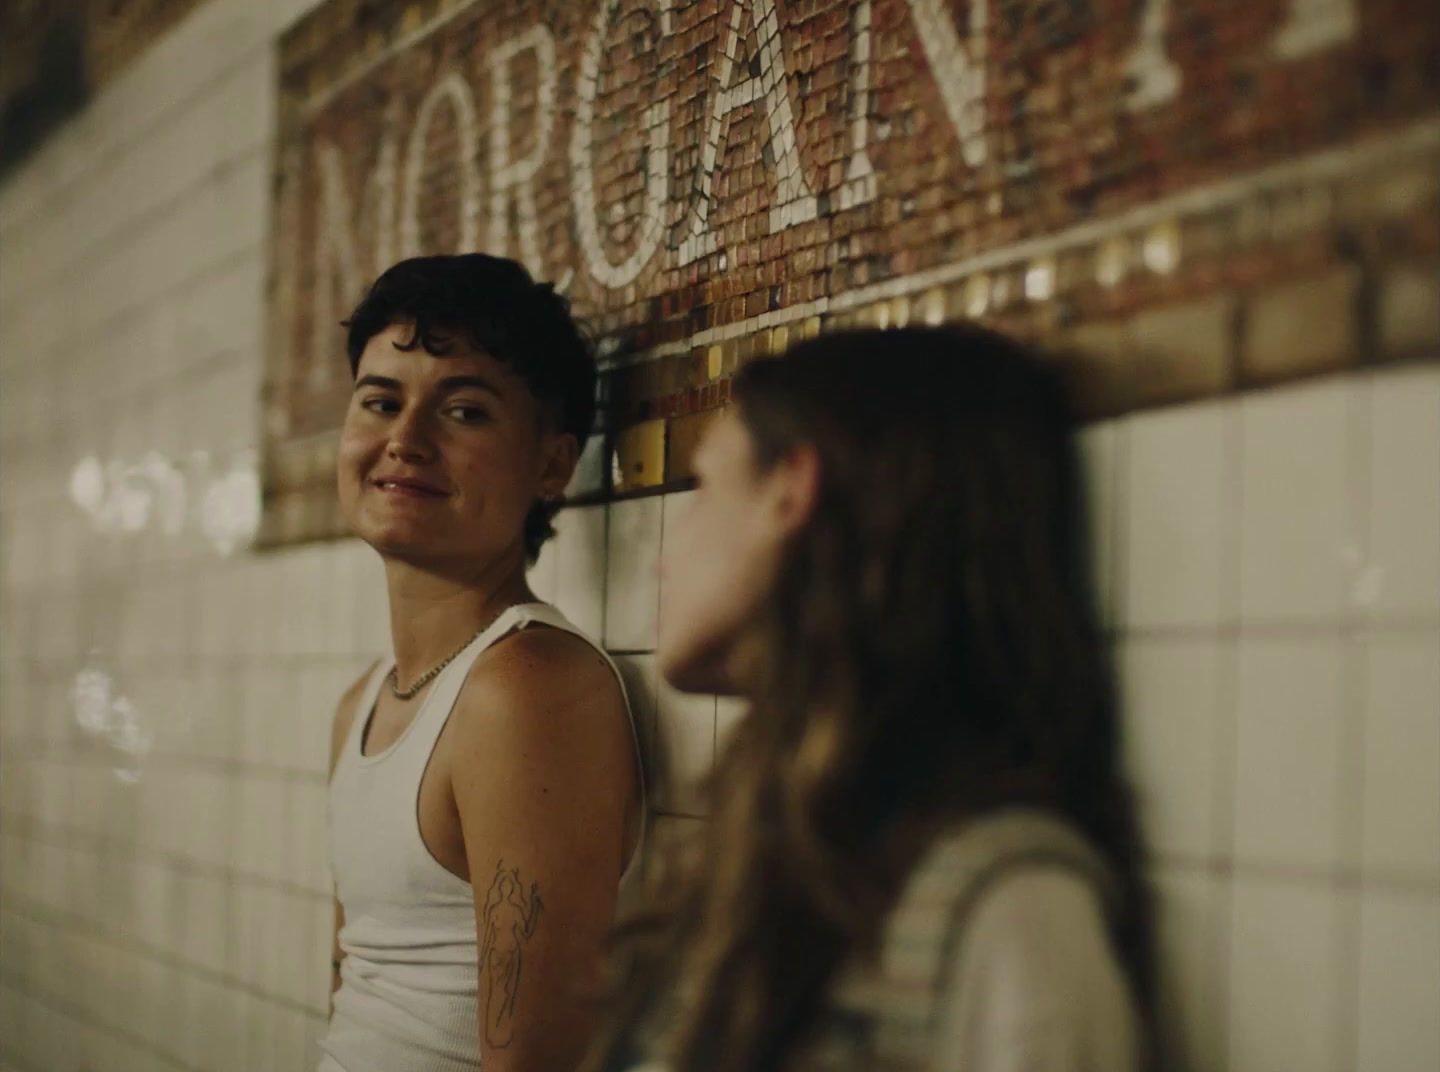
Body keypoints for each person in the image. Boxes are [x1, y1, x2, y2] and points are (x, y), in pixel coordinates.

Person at [586, 325, 1155, 1071]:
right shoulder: (766, 844)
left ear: (792, 490)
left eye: (705, 487)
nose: (666, 554)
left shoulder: (1007, 908)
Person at [321, 254, 644, 1072]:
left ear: (550, 464)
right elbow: (356, 995)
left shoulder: (524, 687)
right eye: (380, 401)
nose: (404, 440)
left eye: (463, 411)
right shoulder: (364, 699)